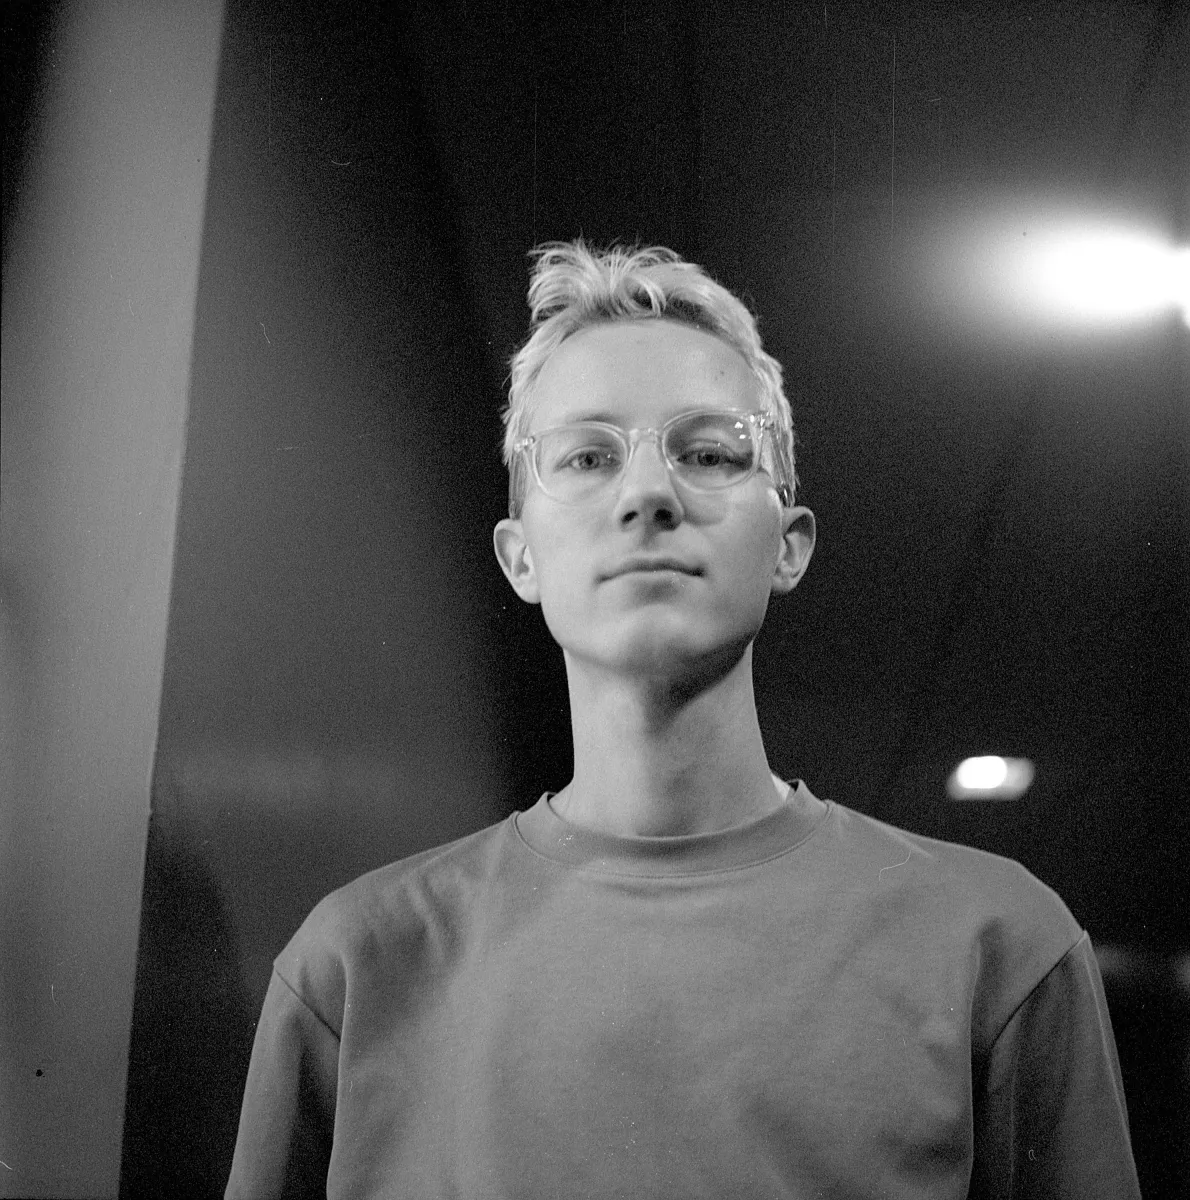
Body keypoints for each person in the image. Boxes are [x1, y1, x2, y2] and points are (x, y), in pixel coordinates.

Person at [225, 241, 1140, 1198]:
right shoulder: (358, 968)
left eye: (707, 452)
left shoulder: (997, 947)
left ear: (788, 545)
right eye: (586, 456)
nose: (648, 494)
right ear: (519, 557)